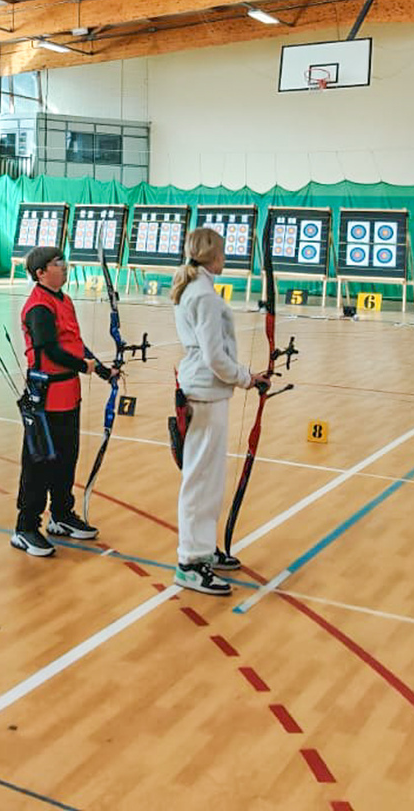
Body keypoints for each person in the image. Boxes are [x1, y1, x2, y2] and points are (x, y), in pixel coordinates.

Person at [170, 227, 265, 596]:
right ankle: (190, 562)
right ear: (210, 255)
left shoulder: (194, 287)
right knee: (200, 480)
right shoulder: (204, 294)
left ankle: (203, 550)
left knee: (207, 479)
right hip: (204, 393)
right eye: (222, 253)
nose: (226, 258)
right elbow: (214, 357)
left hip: (204, 392)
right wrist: (246, 378)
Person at [10, 245, 116, 558]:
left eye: (64, 262)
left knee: (67, 456)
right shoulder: (38, 306)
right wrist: (85, 366)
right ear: (41, 273)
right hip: (46, 396)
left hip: (69, 394)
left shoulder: (64, 300)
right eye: (58, 264)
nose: (65, 267)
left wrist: (103, 371)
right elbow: (50, 350)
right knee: (39, 463)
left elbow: (75, 343)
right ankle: (26, 526)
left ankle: (61, 514)